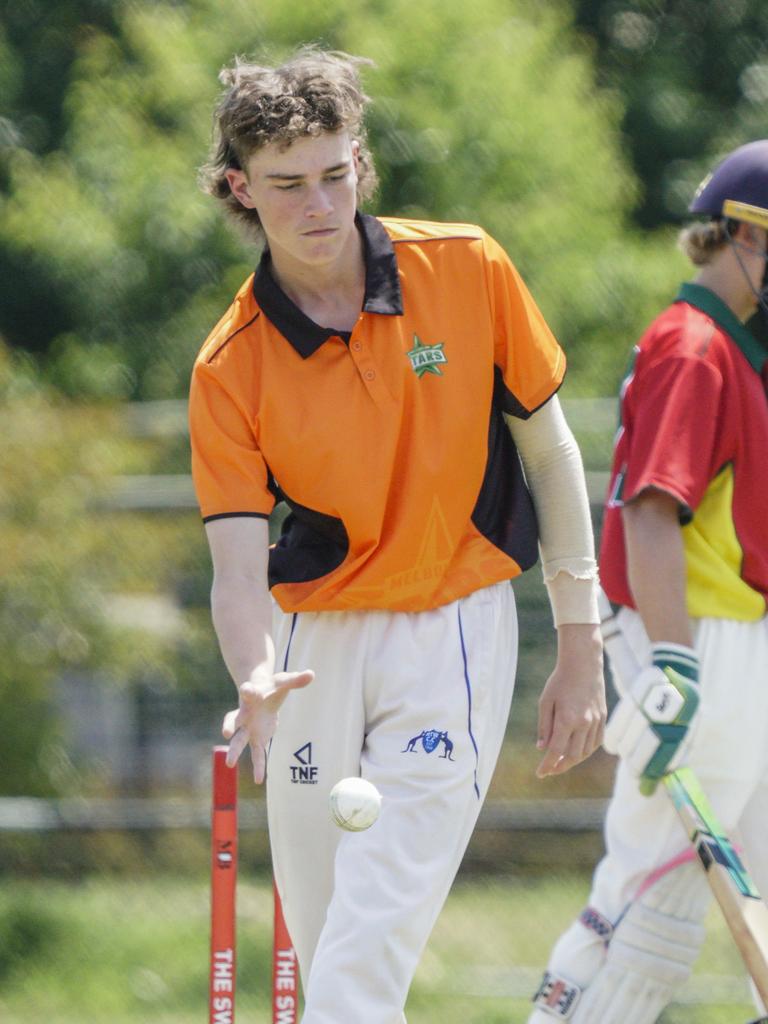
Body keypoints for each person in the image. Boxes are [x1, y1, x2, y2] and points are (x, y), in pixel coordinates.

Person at [189, 46, 605, 1024]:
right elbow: (237, 570)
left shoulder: (466, 266)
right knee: (330, 944)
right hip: (307, 656)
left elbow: (551, 455)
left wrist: (580, 643)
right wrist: (252, 674)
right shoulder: (229, 365)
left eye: (336, 175)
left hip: (450, 630)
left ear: (360, 164)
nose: (319, 206)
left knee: (351, 975)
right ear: (241, 188)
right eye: (286, 185)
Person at [528, 140, 768, 1023]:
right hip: (698, 638)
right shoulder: (693, 345)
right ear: (740, 232)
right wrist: (673, 664)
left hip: (741, 639)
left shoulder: (734, 350)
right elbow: (649, 509)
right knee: (649, 902)